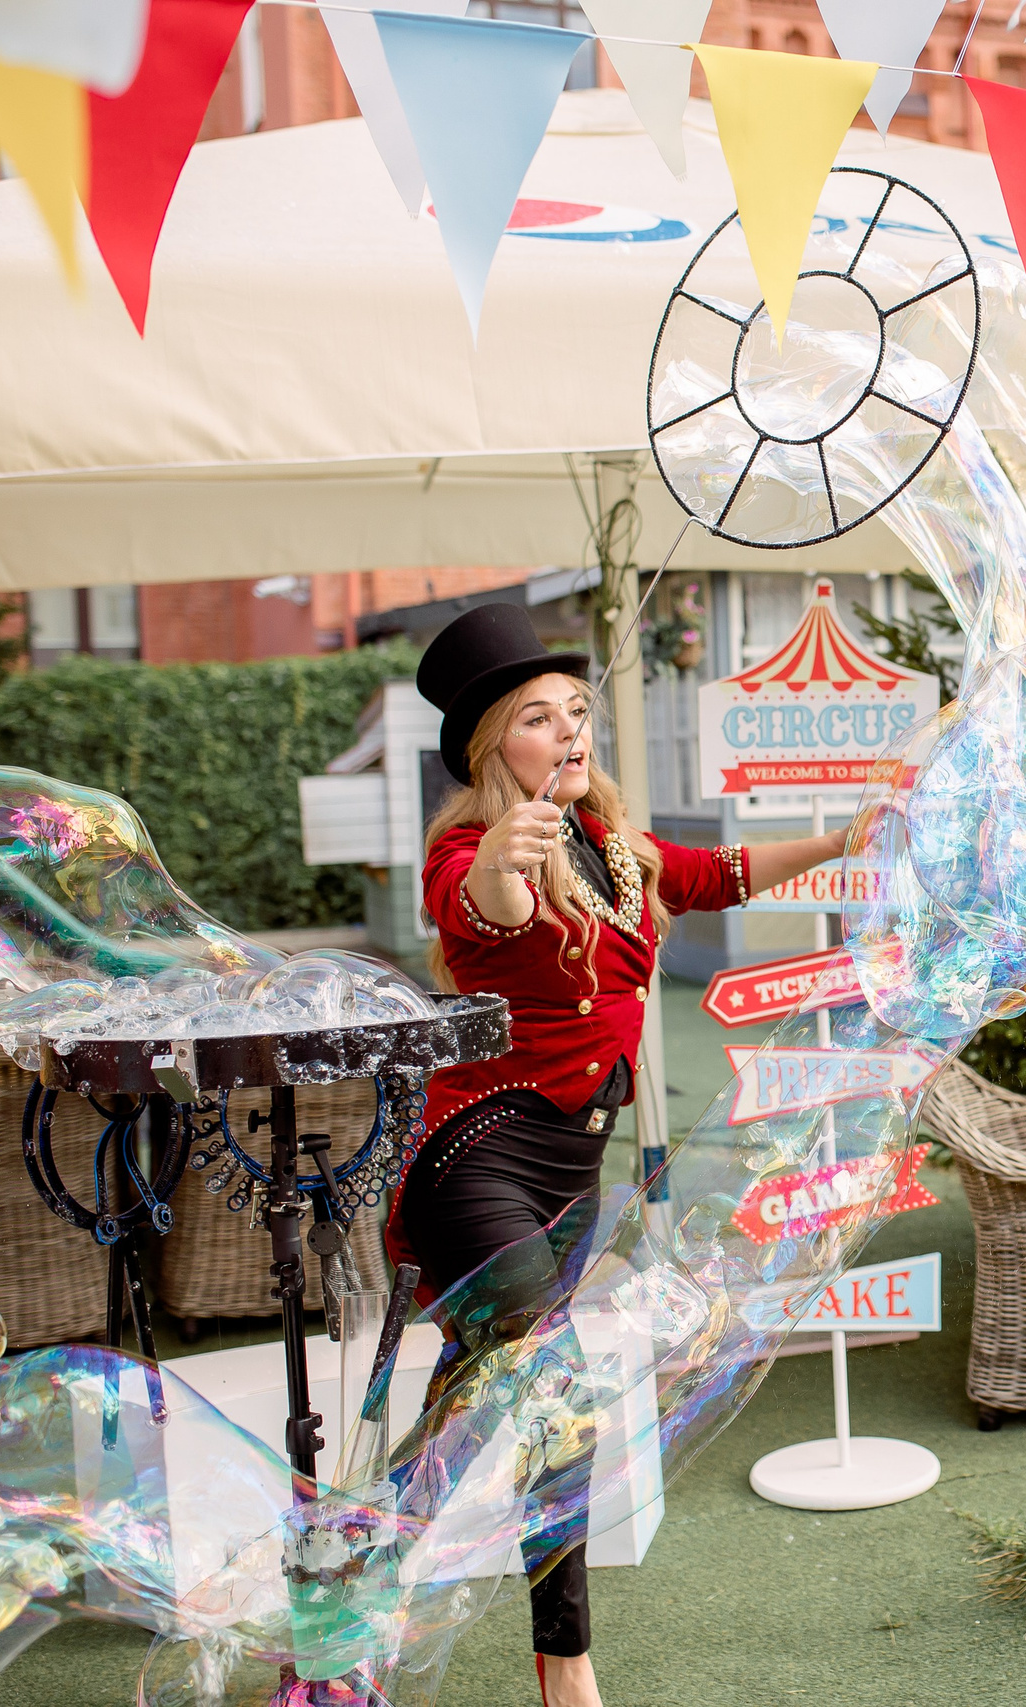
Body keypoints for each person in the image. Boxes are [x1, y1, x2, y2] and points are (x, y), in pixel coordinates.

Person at [387, 604, 844, 1707]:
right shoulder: (472, 849)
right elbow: (482, 907)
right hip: (481, 1157)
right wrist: (505, 857)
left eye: (578, 711)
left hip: (568, 1172)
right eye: (539, 718)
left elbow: (719, 874)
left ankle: (361, 1556)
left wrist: (841, 840)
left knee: (468, 1400)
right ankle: (566, 1664)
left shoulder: (617, 847)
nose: (572, 730)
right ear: (496, 748)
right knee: (560, 1391)